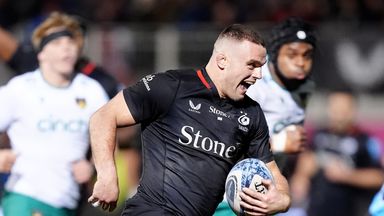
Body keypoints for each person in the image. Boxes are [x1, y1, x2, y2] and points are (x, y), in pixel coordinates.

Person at [87, 23, 291, 215]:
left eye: (261, 66)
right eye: (252, 65)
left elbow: (270, 169)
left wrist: (282, 199)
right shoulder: (171, 86)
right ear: (222, 60)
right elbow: (103, 117)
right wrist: (106, 176)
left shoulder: (251, 114)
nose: (259, 74)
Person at [0, 11, 109, 216]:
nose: (66, 48)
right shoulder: (20, 89)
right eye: (57, 43)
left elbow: (107, 137)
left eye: (70, 42)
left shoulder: (92, 90)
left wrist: (94, 167)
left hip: (66, 201)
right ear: (41, 53)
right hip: (23, 195)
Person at [214, 17, 317, 216]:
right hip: (229, 194)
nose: (301, 63)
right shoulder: (253, 84)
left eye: (307, 55)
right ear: (275, 53)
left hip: (266, 190)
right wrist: (278, 143)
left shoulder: (305, 86)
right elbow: (222, 138)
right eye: (292, 54)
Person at [290, 90, 384, 216]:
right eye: (335, 109)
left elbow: (378, 177)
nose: (339, 115)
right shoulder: (319, 135)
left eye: (343, 110)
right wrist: (302, 176)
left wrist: (348, 176)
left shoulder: (366, 142)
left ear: (353, 111)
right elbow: (308, 159)